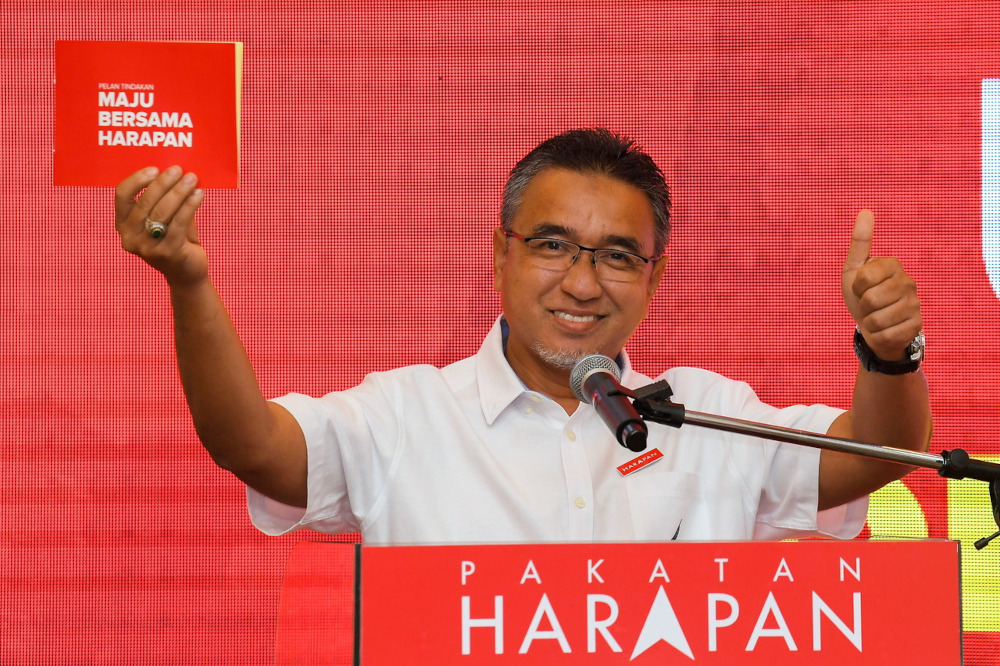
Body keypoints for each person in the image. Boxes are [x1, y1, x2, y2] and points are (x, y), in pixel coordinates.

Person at [114, 128, 931, 544]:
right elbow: (253, 447)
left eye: (617, 256)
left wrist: (889, 355)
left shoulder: (706, 414)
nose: (582, 283)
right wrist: (189, 281)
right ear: (500, 255)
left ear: (656, 277)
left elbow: (881, 454)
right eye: (552, 246)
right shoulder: (408, 415)